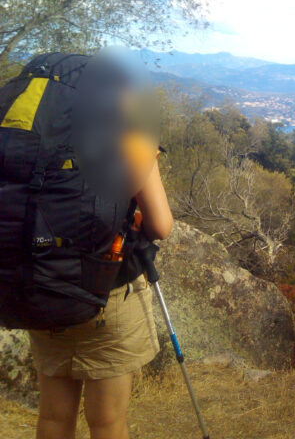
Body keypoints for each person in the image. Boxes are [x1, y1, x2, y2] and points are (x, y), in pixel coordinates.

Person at [28, 105, 173, 439]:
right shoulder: (131, 142)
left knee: (52, 416)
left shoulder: (34, 139)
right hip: (110, 292)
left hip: (45, 289)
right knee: (106, 421)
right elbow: (161, 226)